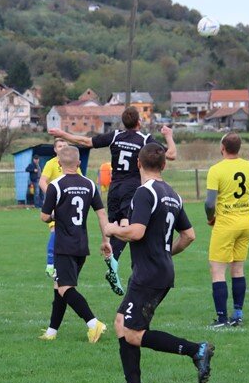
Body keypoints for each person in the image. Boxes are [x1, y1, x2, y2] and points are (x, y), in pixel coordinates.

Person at [106, 143, 213, 383]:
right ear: (164, 165)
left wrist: (113, 230)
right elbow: (189, 235)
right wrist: (166, 252)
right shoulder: (173, 194)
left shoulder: (145, 193)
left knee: (132, 334)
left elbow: (136, 232)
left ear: (138, 164)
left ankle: (196, 350)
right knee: (121, 323)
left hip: (149, 274)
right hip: (158, 270)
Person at [50, 108, 177, 297]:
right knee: (128, 226)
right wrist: (168, 136)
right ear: (138, 122)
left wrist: (63, 134)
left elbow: (86, 141)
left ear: (123, 122)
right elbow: (172, 154)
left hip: (114, 188)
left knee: (115, 225)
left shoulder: (116, 136)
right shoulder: (144, 139)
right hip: (132, 188)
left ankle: (112, 260)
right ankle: (116, 264)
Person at [38, 146, 112, 343]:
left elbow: (44, 216)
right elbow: (101, 214)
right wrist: (106, 240)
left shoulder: (56, 185)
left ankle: (93, 323)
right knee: (59, 286)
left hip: (63, 245)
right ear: (79, 163)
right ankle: (51, 332)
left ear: (59, 164)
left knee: (64, 288)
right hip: (81, 245)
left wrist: (55, 215)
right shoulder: (89, 184)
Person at [205, 133, 249, 328]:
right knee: (238, 269)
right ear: (239, 148)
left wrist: (210, 217)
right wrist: (246, 204)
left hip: (225, 224)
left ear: (222, 147)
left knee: (217, 271)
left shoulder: (216, 169)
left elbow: (209, 203)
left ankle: (222, 318)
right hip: (245, 223)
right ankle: (238, 314)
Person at [38, 138, 78, 279]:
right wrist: (52, 195)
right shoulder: (51, 163)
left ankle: (65, 263)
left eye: (65, 145)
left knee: (68, 232)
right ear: (55, 150)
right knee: (55, 229)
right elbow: (42, 181)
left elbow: (79, 180)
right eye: (60, 146)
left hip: (70, 205)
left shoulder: (73, 163)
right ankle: (50, 264)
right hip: (56, 204)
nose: (62, 148)